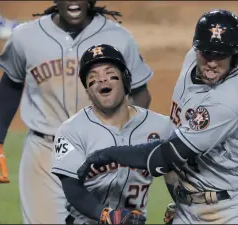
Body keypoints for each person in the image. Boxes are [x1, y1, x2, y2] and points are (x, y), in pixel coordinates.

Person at [77, 9, 238, 224]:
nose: (212, 63)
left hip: (228, 211)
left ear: (236, 56)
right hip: (189, 207)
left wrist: (110, 154)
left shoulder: (227, 101)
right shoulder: (192, 60)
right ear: (196, 48)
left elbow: (167, 157)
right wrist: (181, 199)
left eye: (221, 56)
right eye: (207, 52)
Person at [0, 0, 153, 223]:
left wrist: (127, 142)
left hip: (101, 154)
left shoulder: (118, 37)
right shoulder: (26, 37)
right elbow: (10, 85)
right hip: (44, 154)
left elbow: (141, 94)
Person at [51, 44, 174, 224]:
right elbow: (72, 190)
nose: (101, 80)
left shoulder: (160, 126)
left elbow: (178, 170)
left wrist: (180, 203)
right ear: (88, 91)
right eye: (92, 77)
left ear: (125, 79)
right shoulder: (71, 130)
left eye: (109, 73)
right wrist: (107, 215)